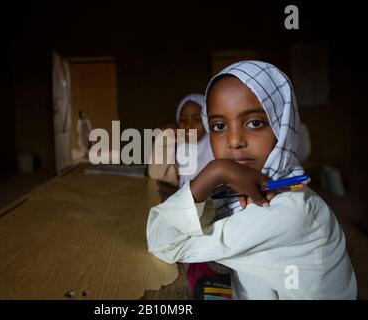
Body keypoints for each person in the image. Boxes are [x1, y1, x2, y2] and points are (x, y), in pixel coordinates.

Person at [146, 60, 357, 299]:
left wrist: (215, 172)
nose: (234, 140)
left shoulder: (288, 212)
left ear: (283, 124)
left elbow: (163, 241)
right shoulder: (246, 193)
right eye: (218, 126)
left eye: (255, 123)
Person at [148, 94, 214, 187]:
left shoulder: (217, 152)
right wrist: (165, 138)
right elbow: (156, 173)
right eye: (183, 119)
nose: (188, 126)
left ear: (208, 120)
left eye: (197, 119)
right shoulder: (180, 148)